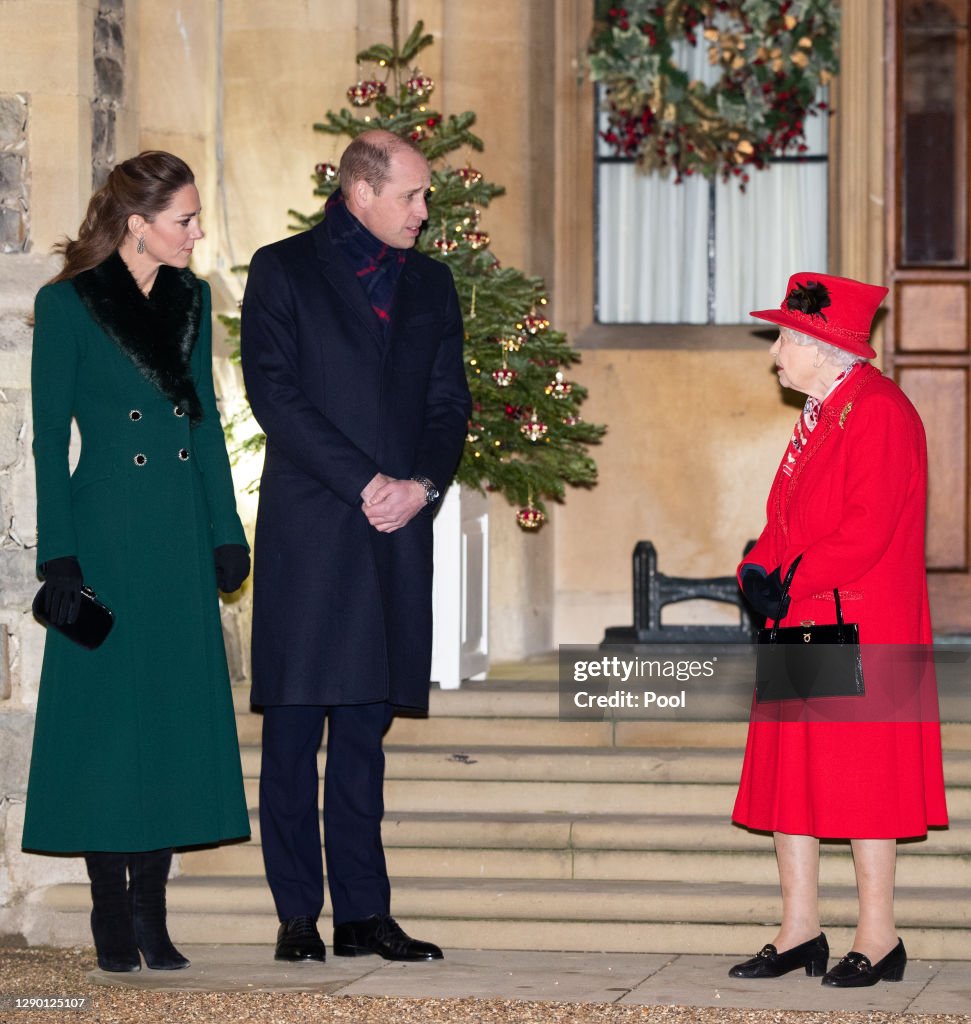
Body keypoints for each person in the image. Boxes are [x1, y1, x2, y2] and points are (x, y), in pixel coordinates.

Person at [240, 129, 470, 964]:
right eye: (411, 195)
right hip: (313, 529)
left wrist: (419, 487)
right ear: (361, 193)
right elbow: (275, 393)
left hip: (395, 533)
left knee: (365, 734)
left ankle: (365, 915)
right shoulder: (282, 269)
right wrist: (363, 481)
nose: (423, 210)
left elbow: (450, 404)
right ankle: (298, 914)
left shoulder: (433, 284)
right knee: (296, 731)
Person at [24, 151, 251, 973]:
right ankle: (109, 912)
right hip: (107, 534)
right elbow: (50, 440)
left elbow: (205, 425)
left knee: (170, 717)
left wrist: (226, 529)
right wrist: (59, 555)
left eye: (194, 218)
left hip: (179, 538)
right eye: (184, 219)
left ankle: (154, 915)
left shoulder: (192, 300)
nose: (196, 232)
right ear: (138, 224)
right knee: (105, 725)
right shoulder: (68, 305)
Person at [730, 272, 948, 987]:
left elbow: (866, 531)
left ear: (823, 345)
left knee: (864, 783)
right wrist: (757, 571)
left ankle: (878, 937)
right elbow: (783, 520)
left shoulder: (879, 411)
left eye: (785, 339)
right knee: (793, 776)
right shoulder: (825, 411)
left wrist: (786, 580)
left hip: (859, 625)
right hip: (807, 618)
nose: (775, 354)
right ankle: (799, 931)